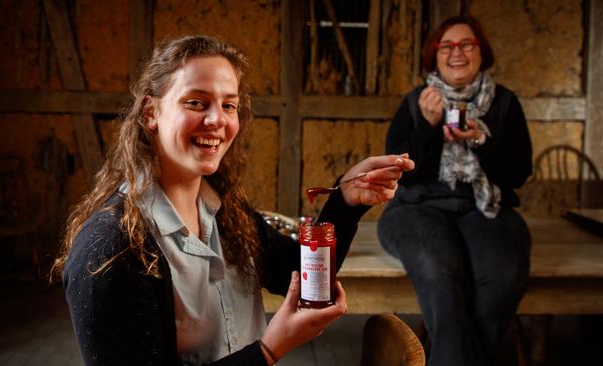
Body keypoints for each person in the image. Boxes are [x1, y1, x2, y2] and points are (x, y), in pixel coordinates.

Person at [53, 35, 414, 366]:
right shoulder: (108, 251)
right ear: (150, 112)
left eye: (229, 105)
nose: (217, 120)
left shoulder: (224, 211)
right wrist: (269, 350)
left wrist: (346, 202)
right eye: (196, 102)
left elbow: (300, 271)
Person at [377, 16, 532, 366]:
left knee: (503, 276)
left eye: (467, 45)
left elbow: (519, 173)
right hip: (417, 207)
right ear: (435, 56)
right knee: (439, 275)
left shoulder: (504, 103)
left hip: (484, 207)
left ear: (482, 52)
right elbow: (399, 173)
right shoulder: (417, 101)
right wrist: (429, 128)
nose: (456, 53)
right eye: (446, 46)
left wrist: (480, 139)